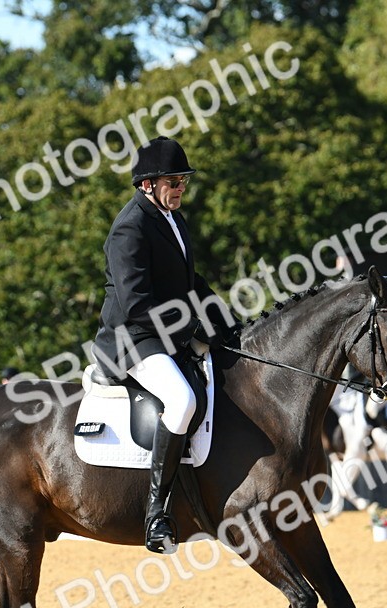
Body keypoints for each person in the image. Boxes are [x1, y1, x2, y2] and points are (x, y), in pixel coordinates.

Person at [90, 136, 234, 554]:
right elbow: (136, 303)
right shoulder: (129, 227)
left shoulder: (172, 219)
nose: (181, 188)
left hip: (163, 333)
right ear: (147, 184)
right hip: (131, 339)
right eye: (174, 181)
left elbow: (192, 282)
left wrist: (225, 320)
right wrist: (191, 328)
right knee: (181, 400)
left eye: (184, 181)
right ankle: (156, 512)